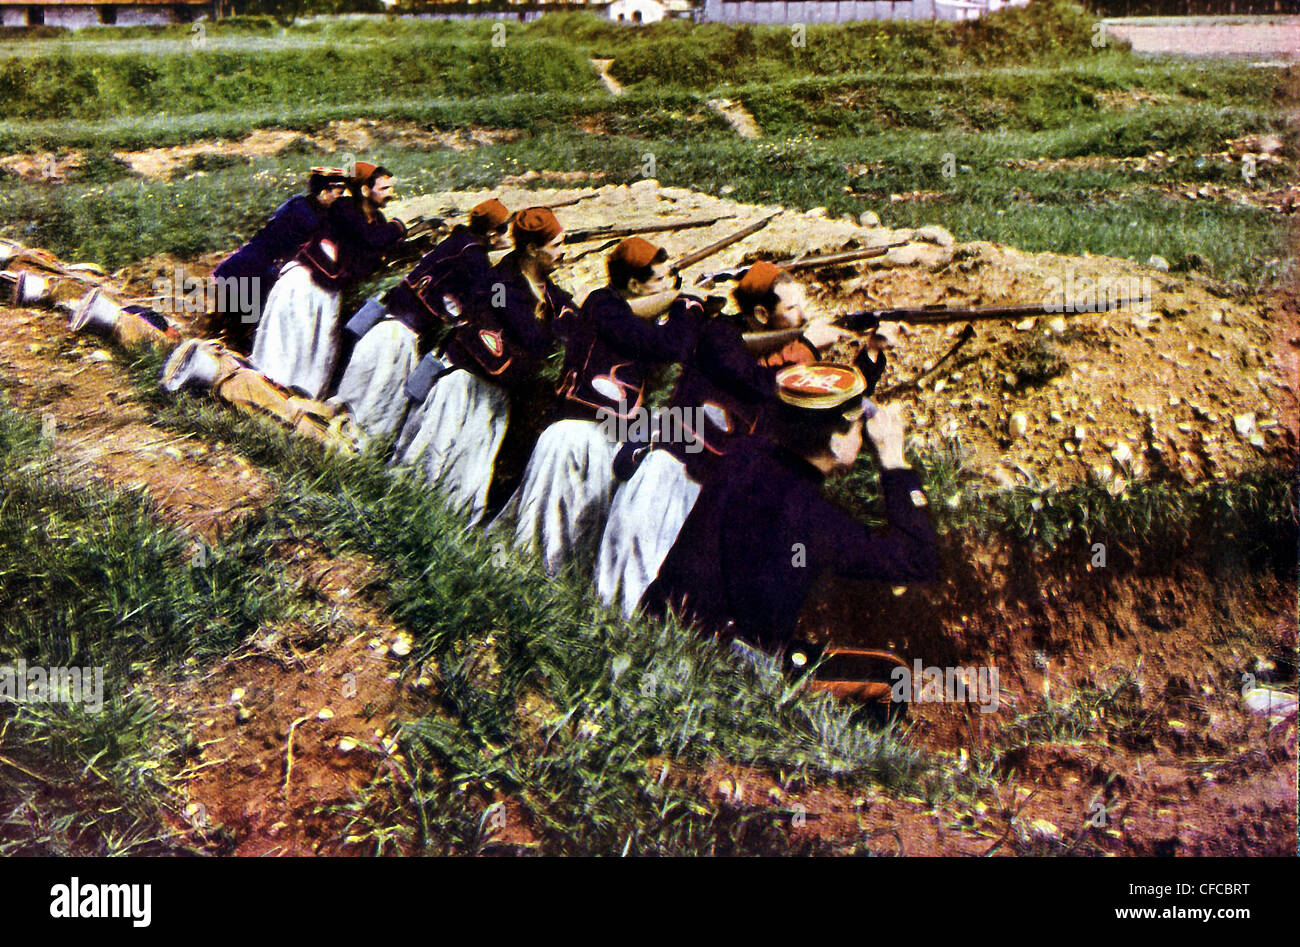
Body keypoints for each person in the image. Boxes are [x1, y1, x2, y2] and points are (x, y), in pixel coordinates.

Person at [595, 261, 886, 618]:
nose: (802, 314)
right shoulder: (719, 334)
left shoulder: (787, 353)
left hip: (717, 494)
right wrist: (806, 345)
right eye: (791, 307)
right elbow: (753, 382)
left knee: (684, 608)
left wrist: (871, 352)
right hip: (674, 473)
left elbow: (829, 404)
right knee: (632, 581)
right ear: (762, 314)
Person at [641, 362, 939, 657]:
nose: (862, 441)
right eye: (858, 431)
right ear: (836, 444)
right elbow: (918, 560)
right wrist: (894, 462)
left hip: (658, 627)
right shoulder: (813, 518)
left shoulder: (742, 455)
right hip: (719, 661)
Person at [489, 236, 694, 576]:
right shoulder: (602, 305)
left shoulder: (630, 312)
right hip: (574, 432)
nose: (667, 285)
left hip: (607, 434)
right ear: (633, 284)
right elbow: (668, 345)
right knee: (546, 536)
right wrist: (685, 304)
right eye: (659, 279)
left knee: (579, 529)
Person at [392, 206, 577, 525]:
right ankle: (403, 517)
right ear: (532, 249)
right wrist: (560, 328)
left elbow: (569, 317)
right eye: (557, 245)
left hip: (496, 394)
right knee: (433, 458)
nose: (563, 252)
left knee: (469, 474)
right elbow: (532, 337)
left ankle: (440, 527)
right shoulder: (501, 285)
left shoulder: (547, 289)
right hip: (467, 385)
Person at [330, 198, 511, 438]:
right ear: (491, 232)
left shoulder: (457, 241)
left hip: (386, 326)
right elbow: (492, 301)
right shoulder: (474, 257)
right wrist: (503, 286)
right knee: (372, 412)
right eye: (504, 230)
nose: (507, 237)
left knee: (353, 398)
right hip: (399, 341)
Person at [250, 162, 406, 399]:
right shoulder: (344, 208)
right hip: (305, 284)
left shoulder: (378, 220)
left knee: (314, 351)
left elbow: (375, 248)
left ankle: (295, 404)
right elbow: (369, 239)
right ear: (365, 190)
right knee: (288, 346)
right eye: (384, 189)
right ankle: (261, 393)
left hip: (328, 292)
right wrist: (398, 228)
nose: (390, 194)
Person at [206, 167, 348, 354]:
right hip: (259, 266)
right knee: (247, 315)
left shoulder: (299, 202)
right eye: (338, 193)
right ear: (324, 192)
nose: (340, 197)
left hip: (251, 260)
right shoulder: (309, 217)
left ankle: (223, 334)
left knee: (238, 311)